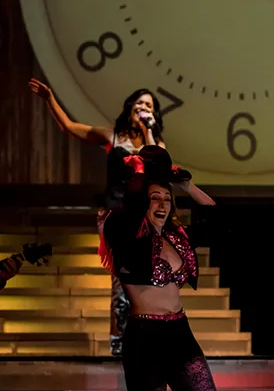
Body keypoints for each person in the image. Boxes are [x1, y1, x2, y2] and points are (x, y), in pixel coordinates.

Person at [97, 149, 274, 391]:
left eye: (166, 199)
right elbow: (126, 211)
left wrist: (186, 184)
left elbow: (217, 216)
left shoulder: (177, 236)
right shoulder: (123, 230)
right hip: (144, 340)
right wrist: (152, 177)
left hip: (179, 335)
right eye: (154, 197)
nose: (161, 204)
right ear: (142, 198)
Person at [27, 80, 215, 355]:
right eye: (140, 103)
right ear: (130, 108)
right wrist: (50, 98)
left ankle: (152, 332)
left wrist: (150, 132)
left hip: (148, 217)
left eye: (149, 105)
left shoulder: (156, 142)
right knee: (121, 277)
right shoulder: (112, 137)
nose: (143, 108)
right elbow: (69, 127)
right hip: (117, 214)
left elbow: (158, 166)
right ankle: (119, 343)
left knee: (150, 273)